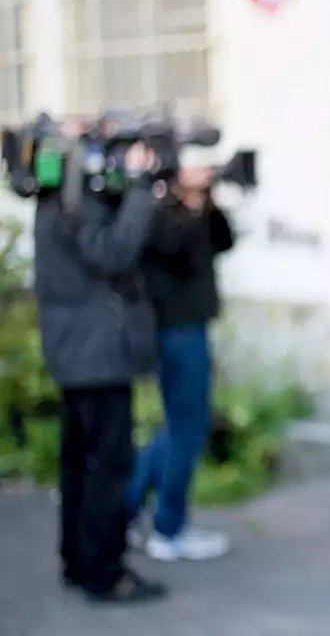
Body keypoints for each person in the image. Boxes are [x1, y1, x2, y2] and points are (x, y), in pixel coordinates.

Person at [33, 139, 170, 604]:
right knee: (107, 466)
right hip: (98, 355)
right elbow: (114, 252)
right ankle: (104, 572)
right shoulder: (77, 205)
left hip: (78, 352)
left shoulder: (55, 199)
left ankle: (78, 560)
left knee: (79, 463)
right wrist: (138, 189)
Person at [126, 165, 235, 561]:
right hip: (174, 330)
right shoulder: (157, 211)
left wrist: (209, 203)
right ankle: (167, 528)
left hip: (193, 327)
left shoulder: (191, 210)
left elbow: (224, 241)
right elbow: (179, 255)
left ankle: (126, 506)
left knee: (180, 426)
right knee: (188, 428)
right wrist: (188, 203)